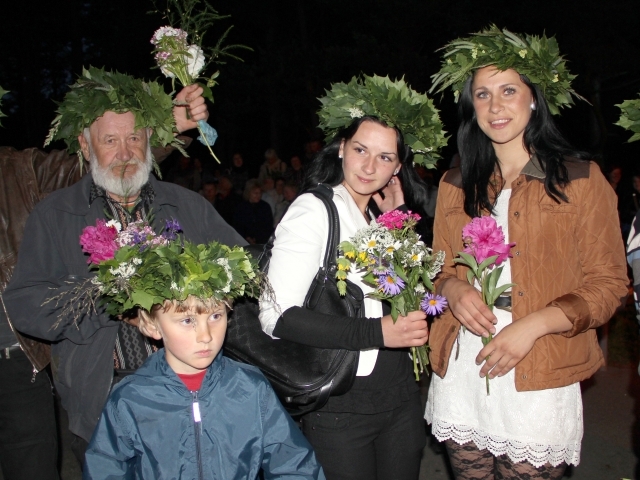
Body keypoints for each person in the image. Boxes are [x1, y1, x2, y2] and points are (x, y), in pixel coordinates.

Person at [2, 67, 246, 465]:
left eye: (134, 138)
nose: (125, 153)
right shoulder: (55, 214)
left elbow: (242, 268)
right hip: (104, 402)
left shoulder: (186, 206)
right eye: (110, 140)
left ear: (150, 140)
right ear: (85, 146)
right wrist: (105, 300)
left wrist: (200, 296)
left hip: (193, 395)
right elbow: (25, 304)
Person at [426, 26, 628, 479]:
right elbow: (437, 269)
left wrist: (532, 325)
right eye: (482, 94)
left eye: (508, 90)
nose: (495, 106)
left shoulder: (580, 178)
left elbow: (610, 286)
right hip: (465, 364)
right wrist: (454, 287)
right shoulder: (454, 184)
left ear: (533, 98)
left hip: (541, 362)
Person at [259, 74, 447, 480]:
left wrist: (398, 226)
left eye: (385, 157)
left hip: (401, 397)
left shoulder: (380, 217)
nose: (369, 166)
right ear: (342, 148)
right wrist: (377, 333)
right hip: (343, 404)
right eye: (361, 149)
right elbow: (278, 317)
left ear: (398, 166)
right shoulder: (314, 209)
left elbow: (405, 298)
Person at [82, 232, 324, 479]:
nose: (206, 335)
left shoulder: (251, 388)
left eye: (215, 316)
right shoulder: (130, 399)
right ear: (152, 325)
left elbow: (293, 464)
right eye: (187, 320)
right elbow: (106, 469)